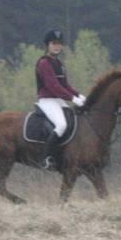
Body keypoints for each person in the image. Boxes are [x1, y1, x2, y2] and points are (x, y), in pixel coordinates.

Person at [35, 29, 86, 170]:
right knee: (62, 125)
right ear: (48, 45)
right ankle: (45, 158)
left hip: (58, 100)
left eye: (59, 44)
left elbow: (65, 86)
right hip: (47, 100)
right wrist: (73, 100)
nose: (57, 46)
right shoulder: (44, 63)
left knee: (75, 120)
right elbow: (53, 87)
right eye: (54, 43)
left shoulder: (59, 64)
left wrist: (81, 96)